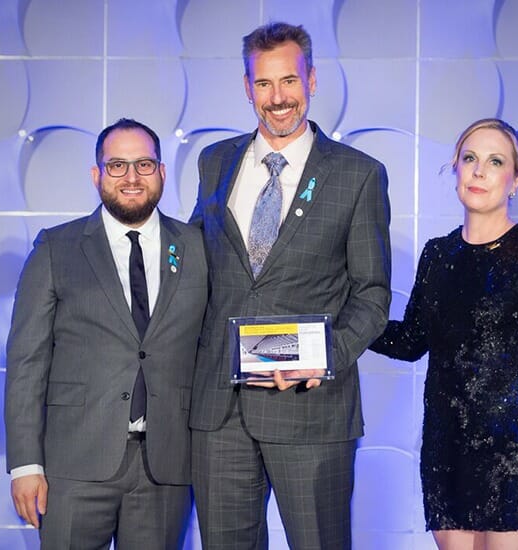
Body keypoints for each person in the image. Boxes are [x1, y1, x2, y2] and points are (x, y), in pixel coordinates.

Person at [189, 21, 391, 549]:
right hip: (220, 413)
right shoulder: (214, 162)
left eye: (289, 81)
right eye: (263, 84)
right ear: (247, 87)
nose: (277, 99)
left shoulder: (358, 175)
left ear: (312, 80)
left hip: (312, 410)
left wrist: (322, 355)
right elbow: (193, 266)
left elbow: (372, 294)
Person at [369, 118, 518, 550]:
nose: (479, 171)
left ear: (515, 179)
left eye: (495, 161)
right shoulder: (437, 255)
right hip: (447, 450)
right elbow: (411, 342)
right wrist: (348, 320)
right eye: (470, 159)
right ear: (456, 170)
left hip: (517, 453)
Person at [4, 118, 207, 549]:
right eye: (117, 166)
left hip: (167, 466)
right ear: (97, 175)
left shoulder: (197, 248)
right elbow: (26, 362)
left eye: (144, 165)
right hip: (73, 465)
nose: (131, 178)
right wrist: (25, 465)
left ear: (162, 173)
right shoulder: (57, 248)